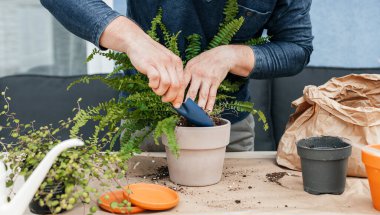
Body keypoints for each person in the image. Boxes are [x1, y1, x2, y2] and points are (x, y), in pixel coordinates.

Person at [41, 0, 313, 152]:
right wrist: (133, 39)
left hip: (228, 132)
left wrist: (230, 55)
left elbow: (297, 47)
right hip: (146, 128)